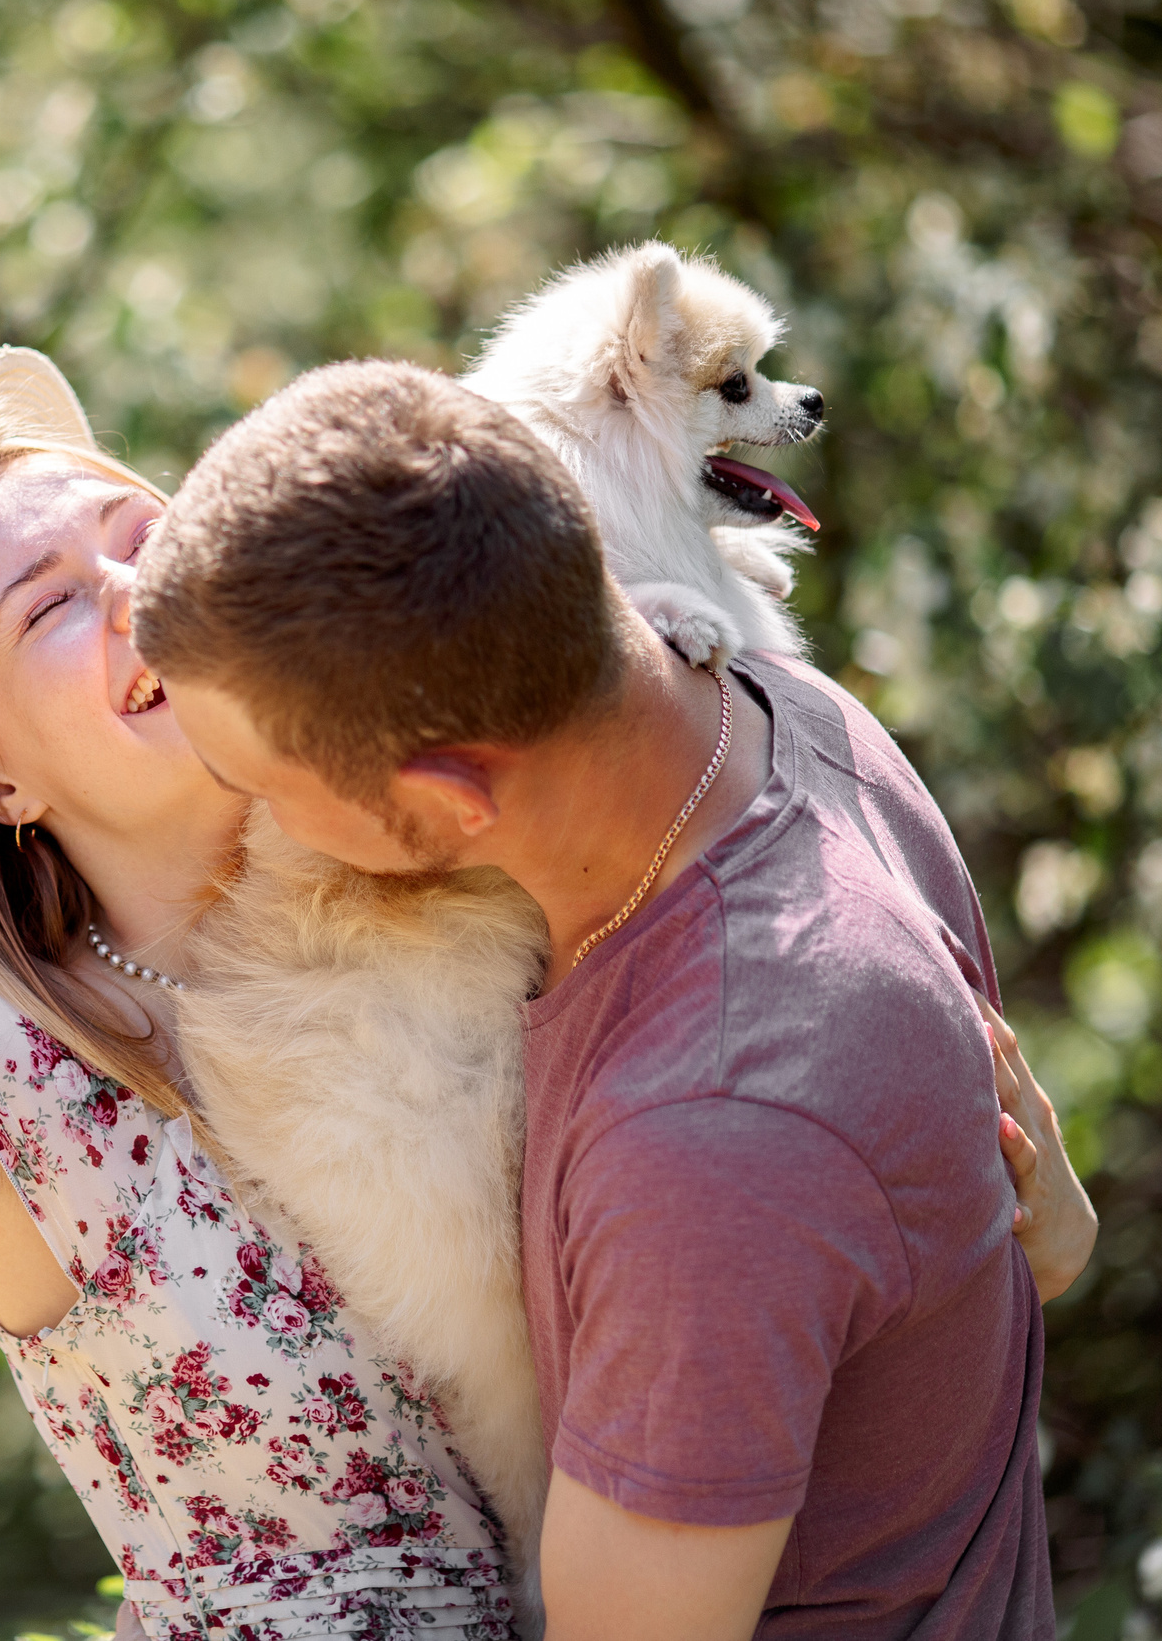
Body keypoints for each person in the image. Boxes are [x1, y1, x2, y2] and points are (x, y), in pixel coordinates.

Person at [0, 348, 1088, 1638]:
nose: (134, 595)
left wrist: (1031, 1205)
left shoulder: (458, 838)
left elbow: (788, 1209)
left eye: (140, 531)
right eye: (49, 605)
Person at [134, 359, 1068, 1640]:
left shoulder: (705, 1136)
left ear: (448, 798)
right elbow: (955, 1258)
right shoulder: (791, 716)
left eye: (264, 787)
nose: (252, 820)